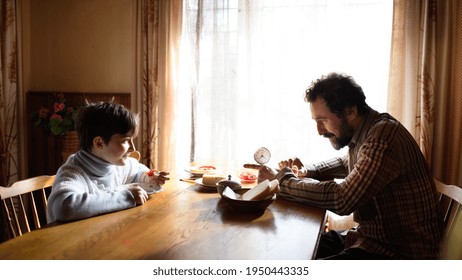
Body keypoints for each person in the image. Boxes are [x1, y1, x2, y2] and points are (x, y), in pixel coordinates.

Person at [256, 72, 442, 259]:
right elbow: (345, 163)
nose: (319, 131)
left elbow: (343, 199)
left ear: (351, 112)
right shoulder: (367, 131)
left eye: (323, 121)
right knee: (292, 250)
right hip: (369, 239)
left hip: (400, 254)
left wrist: (282, 180)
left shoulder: (383, 136)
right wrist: (307, 171)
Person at [46, 101, 169, 223]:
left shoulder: (113, 163)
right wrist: (126, 197)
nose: (133, 148)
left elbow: (137, 170)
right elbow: (63, 208)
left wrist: (148, 177)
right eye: (126, 140)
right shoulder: (73, 173)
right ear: (99, 143)